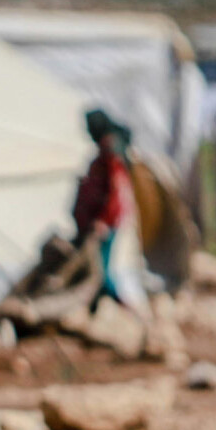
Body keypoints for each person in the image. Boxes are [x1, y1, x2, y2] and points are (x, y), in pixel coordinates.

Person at [72, 109, 148, 314]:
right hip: (97, 219)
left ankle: (121, 308)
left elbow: (117, 190)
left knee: (101, 269)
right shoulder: (104, 151)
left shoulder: (111, 150)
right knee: (93, 266)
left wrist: (105, 220)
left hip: (106, 222)